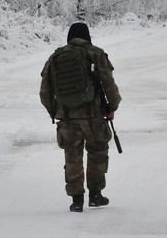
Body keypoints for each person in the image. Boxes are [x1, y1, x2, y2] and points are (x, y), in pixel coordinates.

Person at [40, 23, 122, 212]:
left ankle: (76, 200)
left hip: (67, 118)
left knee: (72, 156)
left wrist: (55, 112)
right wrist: (112, 106)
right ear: (87, 36)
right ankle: (95, 195)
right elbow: (109, 84)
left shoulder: (55, 57)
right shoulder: (96, 53)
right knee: (97, 152)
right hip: (93, 117)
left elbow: (45, 92)